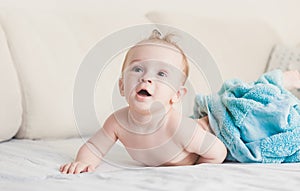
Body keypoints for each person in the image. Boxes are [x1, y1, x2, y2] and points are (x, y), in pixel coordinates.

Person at [60, 30, 228, 174]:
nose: (146, 78)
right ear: (122, 86)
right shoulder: (117, 123)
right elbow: (95, 147)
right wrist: (82, 162)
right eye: (138, 69)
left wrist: (197, 169)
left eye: (161, 74)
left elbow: (218, 152)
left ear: (176, 94)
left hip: (215, 128)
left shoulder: (180, 129)